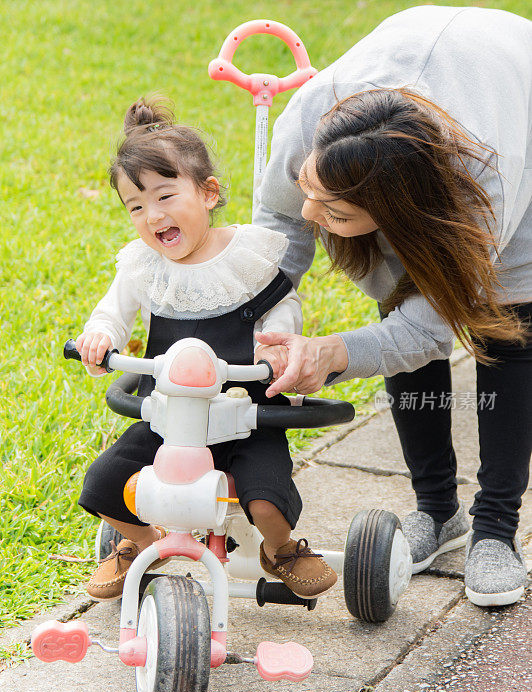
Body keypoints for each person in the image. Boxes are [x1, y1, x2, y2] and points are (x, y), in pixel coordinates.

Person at [252, 5, 532, 606]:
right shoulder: (313, 119)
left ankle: (496, 529)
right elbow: (280, 222)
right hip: (421, 62)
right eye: (313, 189)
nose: (313, 217)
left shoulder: (485, 187)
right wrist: (262, 312)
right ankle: (437, 510)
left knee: (510, 330)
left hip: (515, 94)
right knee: (396, 291)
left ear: (407, 215)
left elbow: (430, 329)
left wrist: (333, 353)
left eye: (337, 215)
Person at [75, 94, 336, 602]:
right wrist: (101, 335)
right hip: (168, 419)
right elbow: (112, 310)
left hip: (246, 417)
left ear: (209, 192)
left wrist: (278, 352)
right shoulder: (143, 268)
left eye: (165, 196)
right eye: (135, 206)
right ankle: (144, 545)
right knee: (105, 483)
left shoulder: (248, 256)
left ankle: (280, 548)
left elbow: (283, 311)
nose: (152, 216)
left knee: (264, 498)